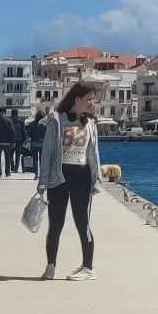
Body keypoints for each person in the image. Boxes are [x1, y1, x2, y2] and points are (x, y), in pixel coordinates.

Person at [38, 81, 104, 281]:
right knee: (55, 224)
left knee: (82, 222)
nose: (92, 103)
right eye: (89, 99)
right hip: (59, 177)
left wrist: (96, 179)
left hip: (81, 177)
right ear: (77, 99)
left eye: (93, 99)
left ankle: (88, 268)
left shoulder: (91, 123)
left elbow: (94, 154)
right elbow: (47, 152)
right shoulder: (57, 120)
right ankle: (50, 266)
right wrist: (42, 182)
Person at [0, 107, 21, 177]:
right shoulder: (9, 120)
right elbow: (12, 131)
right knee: (7, 158)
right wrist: (13, 141)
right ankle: (7, 173)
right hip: (7, 143)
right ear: (5, 112)